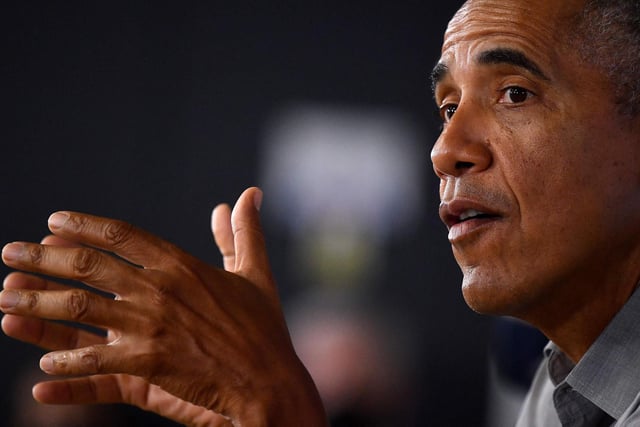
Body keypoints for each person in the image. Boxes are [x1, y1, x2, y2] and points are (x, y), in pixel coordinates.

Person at [2, 0, 640, 425]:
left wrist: (275, 405)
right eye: (448, 108)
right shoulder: (556, 391)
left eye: (514, 93)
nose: (445, 150)